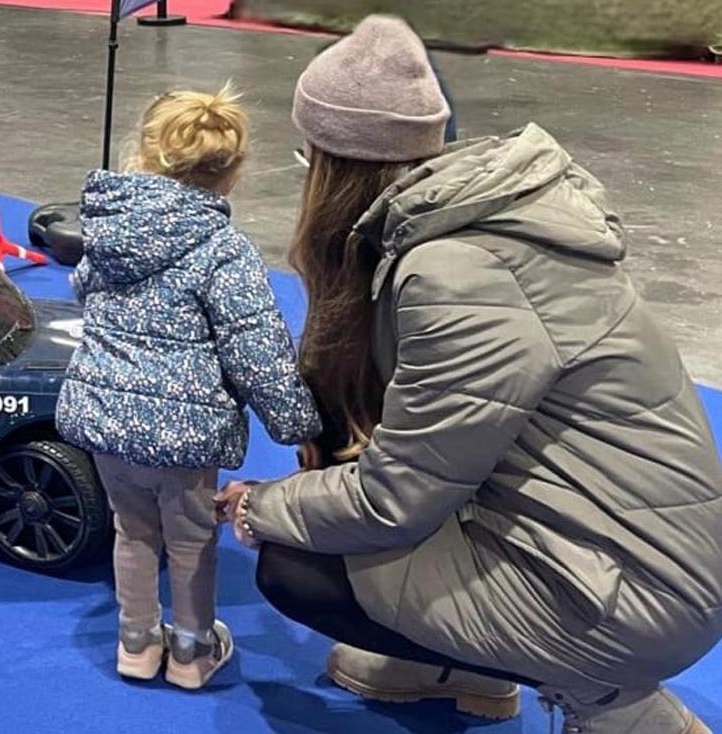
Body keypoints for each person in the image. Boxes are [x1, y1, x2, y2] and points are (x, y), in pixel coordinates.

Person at [216, 15, 722, 734]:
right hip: (619, 546)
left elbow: (393, 499)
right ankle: (458, 667)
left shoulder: (456, 275)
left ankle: (616, 703)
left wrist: (261, 505)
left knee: (295, 565)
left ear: (328, 166)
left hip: (632, 594)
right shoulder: (474, 220)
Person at [56, 85, 322, 690]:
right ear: (232, 173)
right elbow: (258, 351)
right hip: (184, 436)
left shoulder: (109, 230)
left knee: (131, 531)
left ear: (145, 153)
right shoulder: (224, 251)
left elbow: (81, 289)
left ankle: (135, 643)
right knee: (191, 541)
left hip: (104, 419)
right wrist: (299, 427)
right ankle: (192, 652)